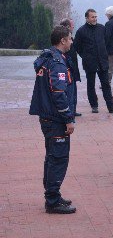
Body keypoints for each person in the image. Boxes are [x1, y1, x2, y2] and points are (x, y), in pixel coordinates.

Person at [30, 25, 77, 214]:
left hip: (47, 116)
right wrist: (68, 118)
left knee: (52, 157)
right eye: (70, 38)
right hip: (55, 118)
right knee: (58, 158)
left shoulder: (47, 58)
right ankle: (52, 200)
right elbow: (59, 93)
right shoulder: (56, 62)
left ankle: (53, 194)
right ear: (63, 40)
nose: (72, 41)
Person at [74, 8, 113, 113]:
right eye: (92, 17)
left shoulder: (102, 28)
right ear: (87, 18)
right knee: (90, 85)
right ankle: (94, 105)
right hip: (89, 62)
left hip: (102, 61)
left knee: (105, 84)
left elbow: (106, 41)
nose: (95, 18)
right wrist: (85, 56)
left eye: (96, 16)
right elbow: (77, 46)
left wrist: (104, 52)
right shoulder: (81, 31)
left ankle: (111, 106)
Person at [59, 19, 82, 117]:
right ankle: (69, 111)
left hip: (73, 66)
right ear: (67, 26)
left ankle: (73, 109)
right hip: (67, 67)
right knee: (69, 90)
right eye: (72, 25)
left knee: (74, 90)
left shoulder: (70, 36)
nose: (73, 27)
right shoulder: (63, 38)